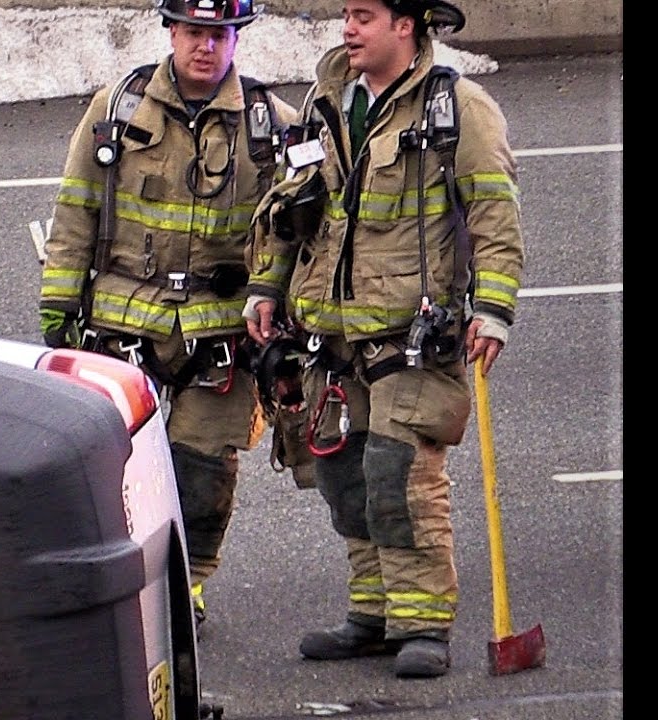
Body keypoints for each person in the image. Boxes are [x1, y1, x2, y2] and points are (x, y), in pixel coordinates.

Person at [242, 0, 524, 678]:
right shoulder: (326, 103)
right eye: (345, 13)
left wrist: (494, 307)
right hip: (333, 337)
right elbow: (296, 205)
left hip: (411, 336)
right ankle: (372, 615)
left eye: (364, 15)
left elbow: (493, 209)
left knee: (402, 479)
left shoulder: (459, 108)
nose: (348, 28)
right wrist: (265, 287)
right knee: (345, 478)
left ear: (406, 26)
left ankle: (422, 623)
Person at [37, 0, 298, 631]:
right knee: (123, 465)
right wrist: (58, 310)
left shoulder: (273, 123)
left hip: (221, 334)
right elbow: (75, 212)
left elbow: (296, 233)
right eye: (194, 33)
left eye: (219, 35)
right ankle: (127, 575)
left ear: (235, 39)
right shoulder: (116, 110)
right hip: (125, 325)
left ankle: (189, 583)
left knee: (204, 469)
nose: (206, 47)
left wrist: (278, 304)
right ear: (171, 33)